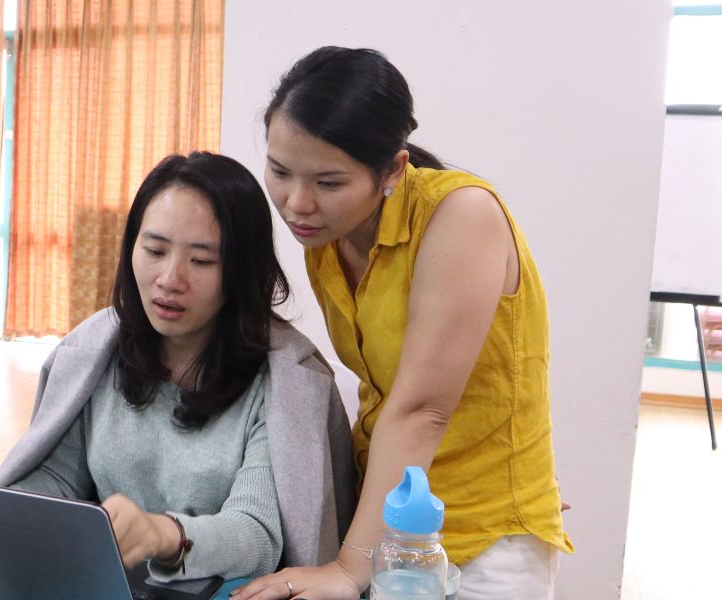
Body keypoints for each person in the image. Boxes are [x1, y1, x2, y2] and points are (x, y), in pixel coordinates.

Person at [234, 47, 572, 600]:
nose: (296, 203)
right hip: (387, 522)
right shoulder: (328, 238)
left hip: (481, 532)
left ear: (393, 168)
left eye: (328, 181)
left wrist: (347, 568)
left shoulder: (461, 215)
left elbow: (422, 409)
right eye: (279, 171)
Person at [0, 152, 358, 583]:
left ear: (242, 273)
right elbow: (57, 476)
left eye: (201, 261)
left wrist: (163, 534)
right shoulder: (96, 350)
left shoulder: (285, 379)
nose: (169, 278)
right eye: (154, 250)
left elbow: (257, 531)